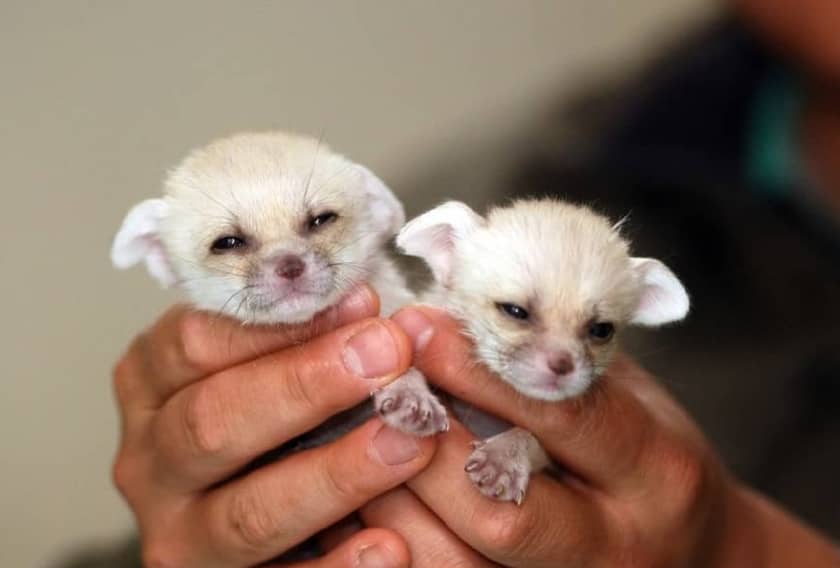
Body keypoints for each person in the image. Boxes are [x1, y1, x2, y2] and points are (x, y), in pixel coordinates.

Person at [95, 3, 840, 568]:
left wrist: (741, 548)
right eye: (232, 243)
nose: (289, 264)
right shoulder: (490, 185)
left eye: (319, 223)